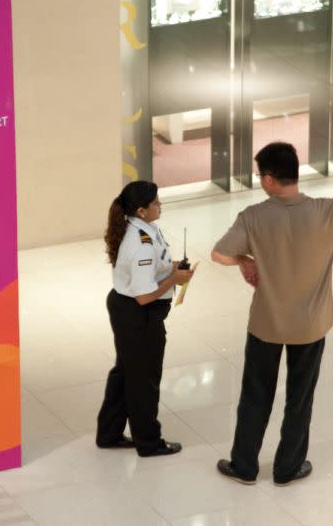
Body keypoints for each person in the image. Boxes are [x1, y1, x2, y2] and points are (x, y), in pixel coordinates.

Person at [211, 142, 333, 485]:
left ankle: (244, 465)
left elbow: (219, 254)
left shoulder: (253, 217)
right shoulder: (325, 211)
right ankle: (288, 468)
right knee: (300, 398)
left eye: (261, 176)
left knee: (255, 395)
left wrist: (244, 260)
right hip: (311, 326)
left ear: (270, 179)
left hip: (266, 324)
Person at [96, 180, 194, 457]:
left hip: (127, 310)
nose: (160, 205)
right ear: (141, 210)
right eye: (155, 203)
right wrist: (174, 278)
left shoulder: (141, 230)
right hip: (138, 315)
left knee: (126, 372)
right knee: (145, 380)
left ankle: (109, 433)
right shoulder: (140, 245)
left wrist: (172, 268)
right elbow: (144, 296)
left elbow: (152, 266)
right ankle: (148, 442)